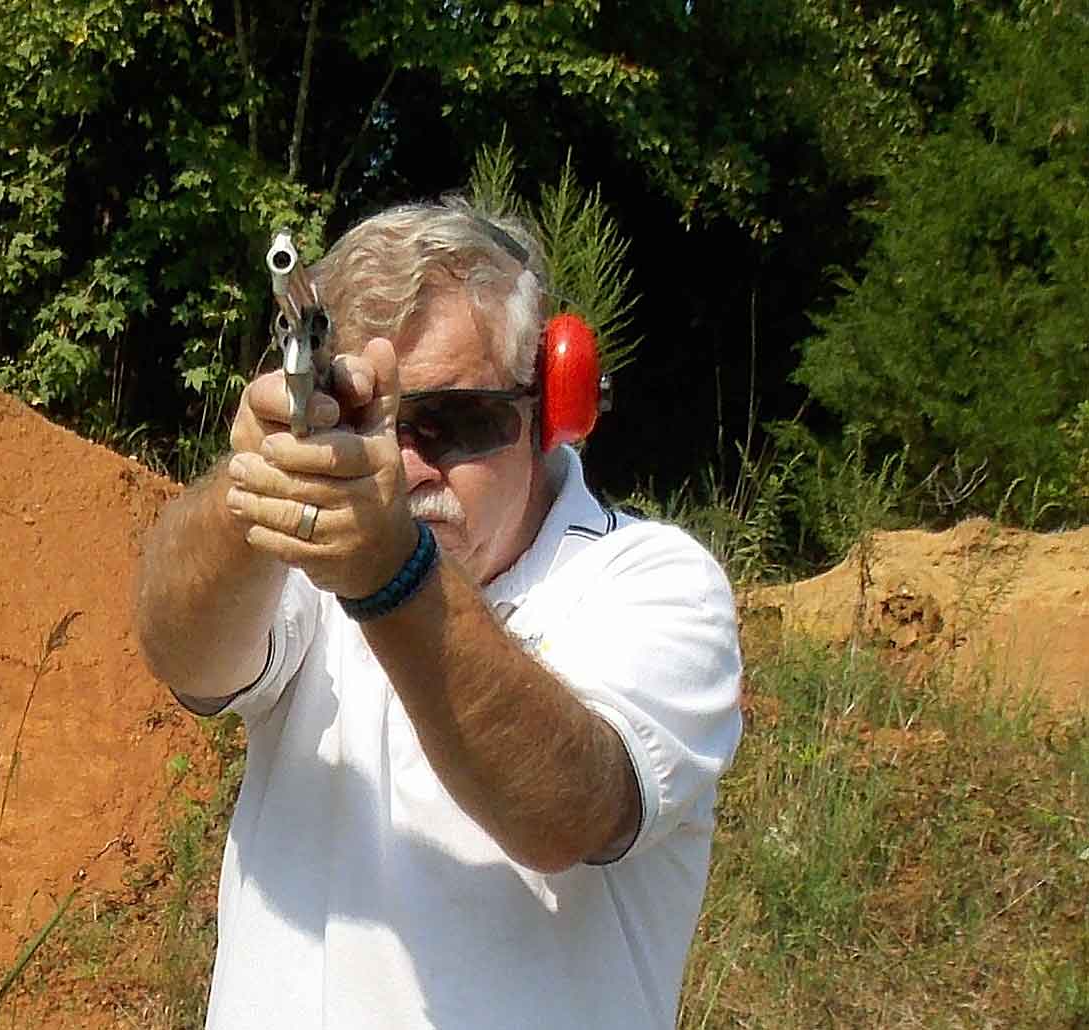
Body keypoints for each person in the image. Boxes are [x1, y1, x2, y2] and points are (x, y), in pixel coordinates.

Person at [134, 199, 743, 1029]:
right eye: (374, 424)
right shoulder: (313, 563)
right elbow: (185, 655)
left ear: (551, 410)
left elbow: (564, 815)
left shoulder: (653, 580)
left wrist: (394, 576)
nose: (408, 465)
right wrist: (250, 486)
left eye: (453, 422)